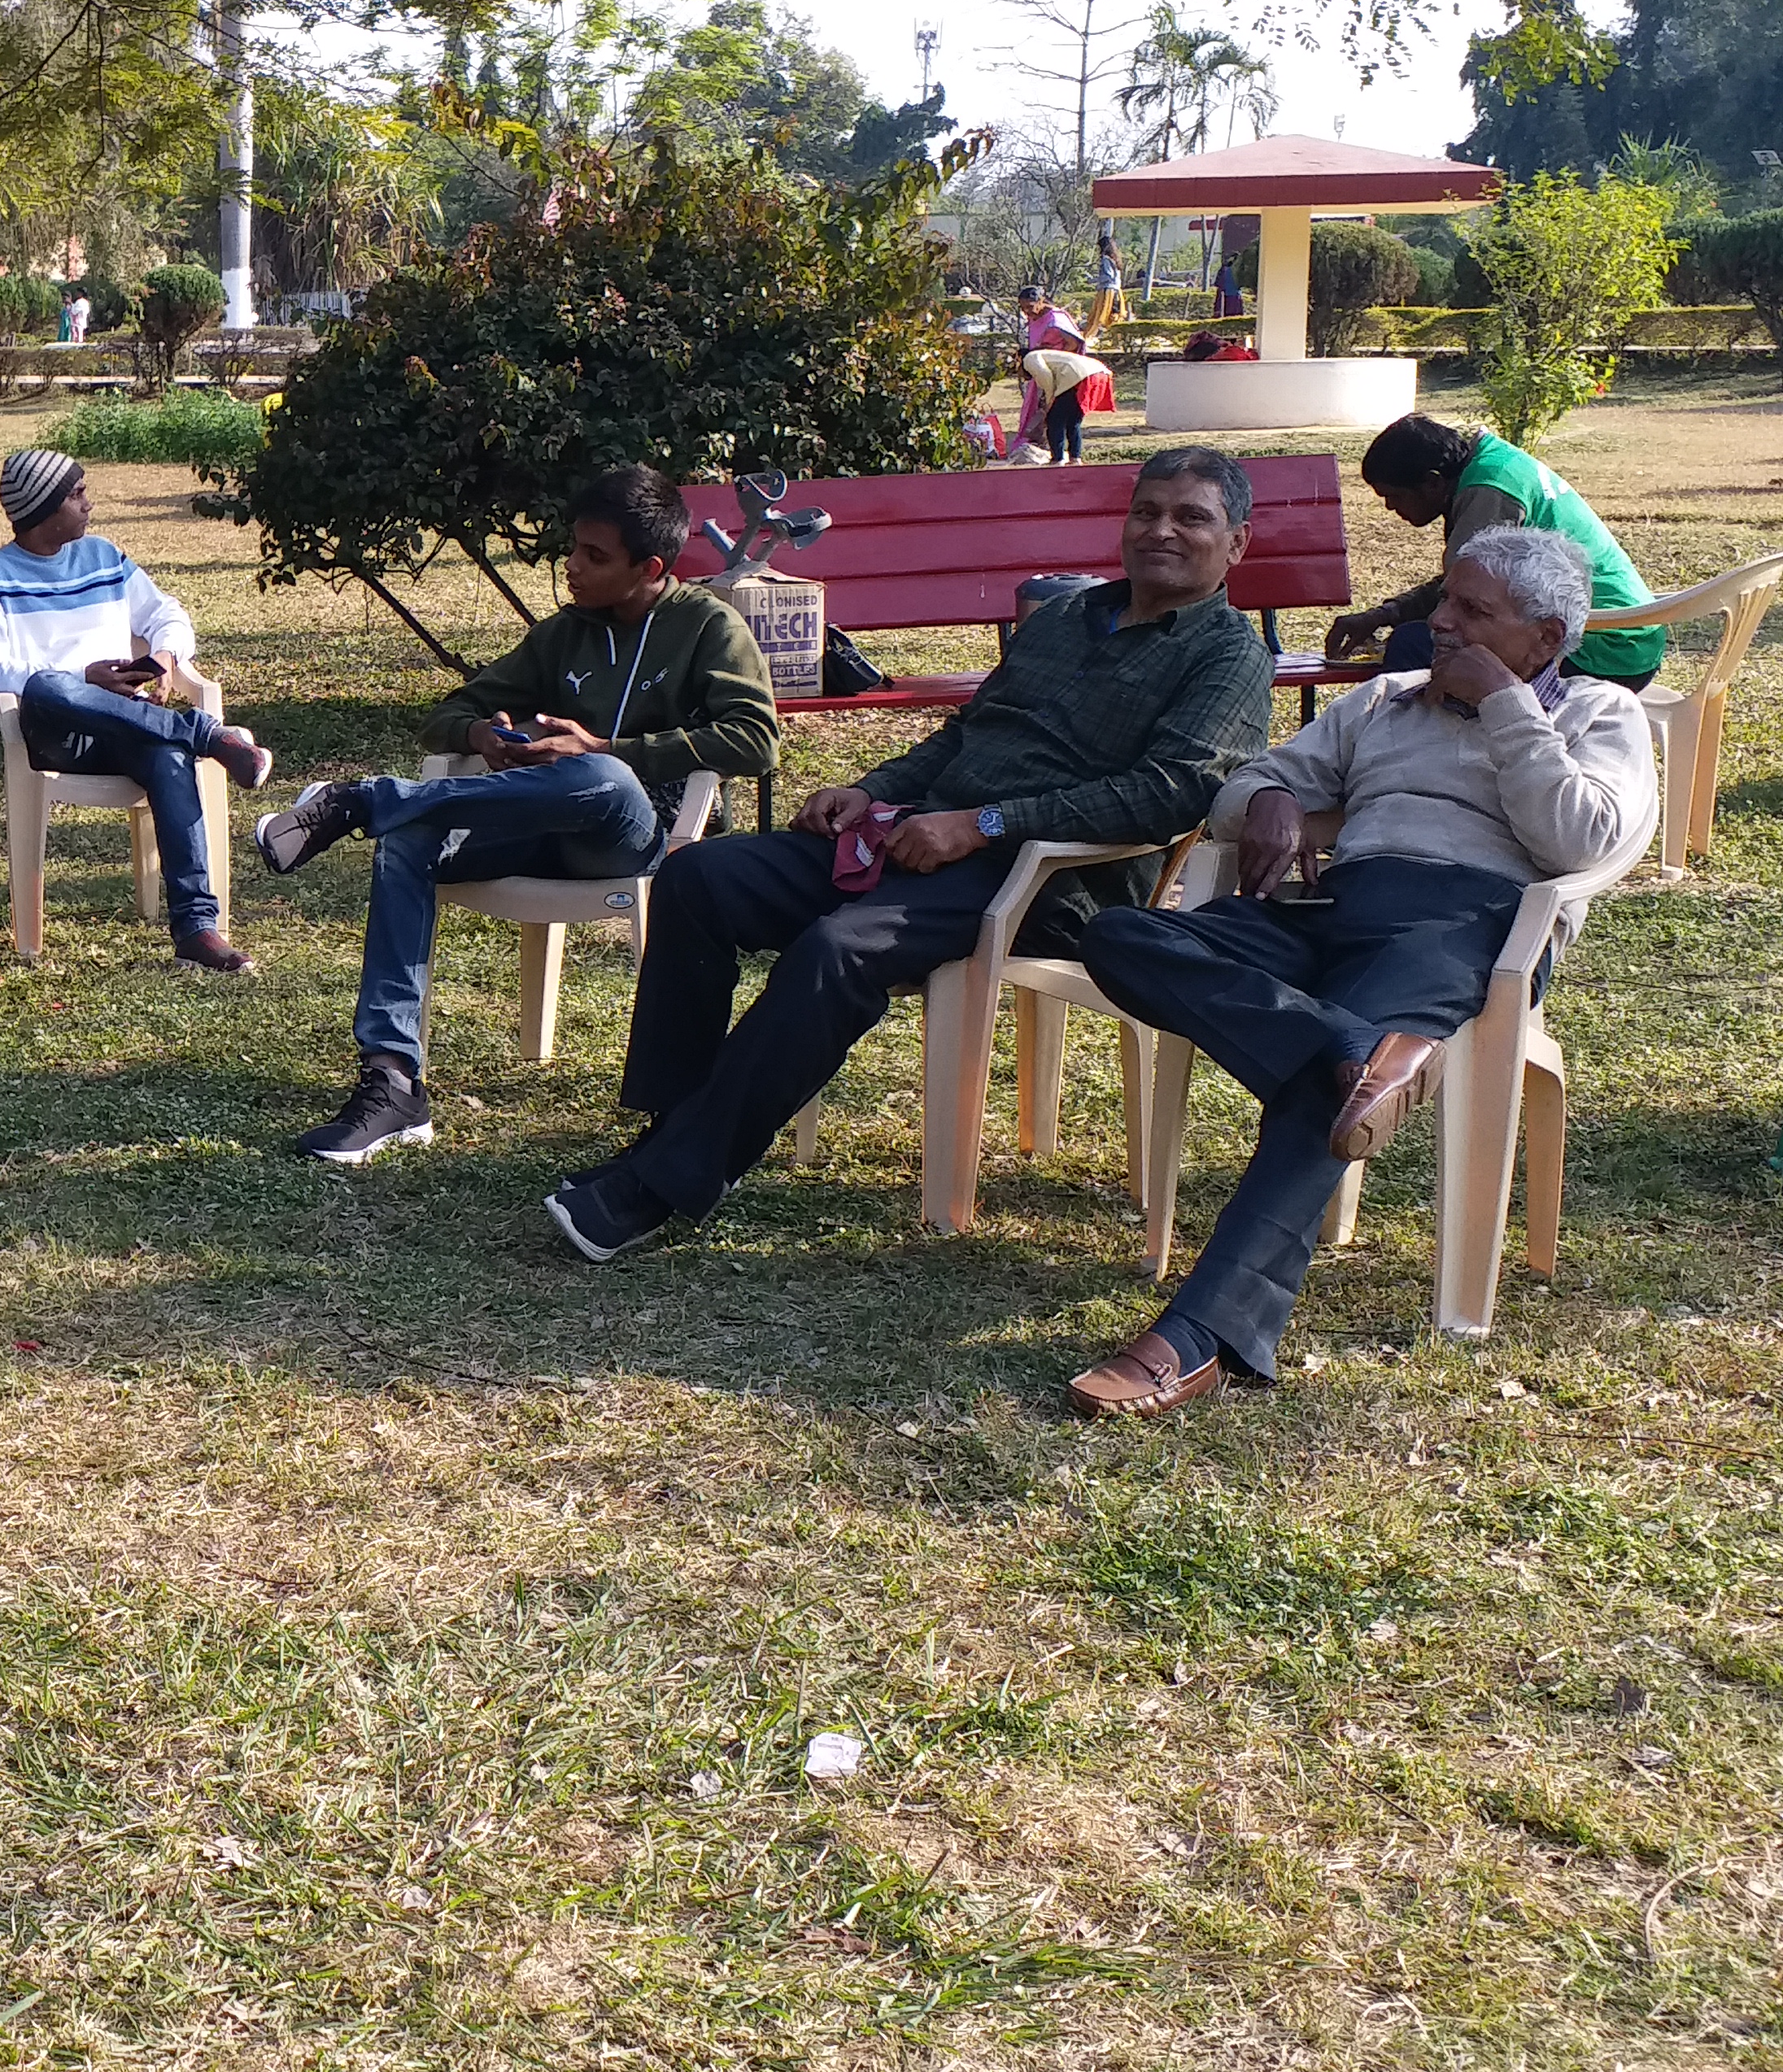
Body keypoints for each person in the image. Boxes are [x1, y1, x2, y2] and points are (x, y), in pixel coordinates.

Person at [547, 447, 1279, 1260]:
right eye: (1147, 511)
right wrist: (870, 787)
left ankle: (669, 1182)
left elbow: (1170, 792)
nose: (1161, 531)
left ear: (1237, 543)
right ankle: (671, 1129)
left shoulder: (1227, 657)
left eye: (1192, 518)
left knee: (837, 948)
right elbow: (967, 733)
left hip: (1048, 885)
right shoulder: (1070, 617)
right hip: (917, 839)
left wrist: (986, 823)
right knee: (698, 878)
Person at [1066, 528, 1654, 1417]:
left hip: (1468, 926)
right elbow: (1245, 789)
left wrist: (1506, 707)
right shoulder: (1386, 700)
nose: (1440, 623)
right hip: (1332, 910)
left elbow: (1577, 840)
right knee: (1123, 936)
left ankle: (1195, 1340)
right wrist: (1267, 800)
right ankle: (1359, 1052)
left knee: (1326, 1099)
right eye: (1443, 601)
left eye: (1471, 611)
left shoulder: (1598, 716)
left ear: (1544, 640)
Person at [257, 464, 782, 1163]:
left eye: (594, 557)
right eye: (573, 547)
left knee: (599, 773)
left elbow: (756, 739)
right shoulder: (566, 633)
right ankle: (393, 1083)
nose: (572, 566)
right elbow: (448, 713)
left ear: (649, 566)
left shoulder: (705, 625)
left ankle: (367, 800)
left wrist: (607, 747)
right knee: (408, 843)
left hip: (634, 833)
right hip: (533, 825)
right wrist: (481, 735)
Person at [0, 450, 273, 973]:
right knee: (47, 686)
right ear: (43, 507)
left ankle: (197, 930)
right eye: (77, 494)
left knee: (168, 758)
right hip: (59, 734)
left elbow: (166, 612)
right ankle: (208, 735)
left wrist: (167, 657)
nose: (90, 503)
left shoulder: (105, 557)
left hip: (126, 722)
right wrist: (83, 676)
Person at [1327, 413, 1661, 690]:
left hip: (1605, 649)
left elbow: (1464, 595)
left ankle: (1404, 756)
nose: (1388, 507)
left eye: (1393, 496)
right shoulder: (1493, 463)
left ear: (1432, 482)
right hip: (1632, 639)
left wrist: (1388, 618)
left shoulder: (1489, 490)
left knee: (1414, 644)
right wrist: (1383, 614)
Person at [1019, 324, 1110, 465]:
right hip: (1099, 373)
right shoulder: (1048, 355)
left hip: (1078, 377)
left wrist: (1050, 402)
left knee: (1055, 421)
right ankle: (1075, 458)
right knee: (1072, 422)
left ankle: (1058, 459)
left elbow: (1046, 377)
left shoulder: (1029, 358)